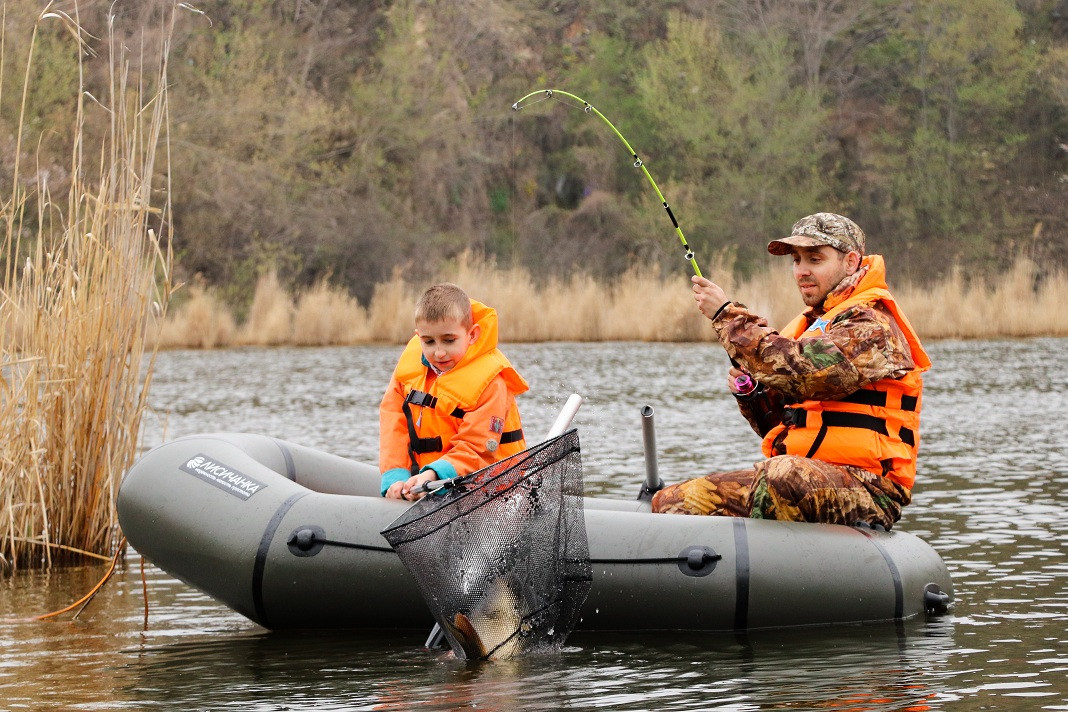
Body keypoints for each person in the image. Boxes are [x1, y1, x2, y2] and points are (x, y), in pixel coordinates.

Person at [652, 213, 931, 530]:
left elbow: (804, 374)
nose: (802, 270)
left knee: (782, 474)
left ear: (851, 262)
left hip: (869, 490)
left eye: (815, 258)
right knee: (672, 502)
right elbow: (780, 424)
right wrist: (753, 393)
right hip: (802, 478)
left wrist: (726, 316)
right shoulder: (811, 327)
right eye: (796, 260)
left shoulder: (871, 326)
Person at [380, 283, 529, 501]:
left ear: (472, 335)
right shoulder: (408, 373)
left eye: (449, 340)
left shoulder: (491, 383)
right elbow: (394, 425)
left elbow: (477, 448)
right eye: (429, 341)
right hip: (427, 485)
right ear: (418, 336)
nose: (439, 352)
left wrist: (432, 475)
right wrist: (396, 477)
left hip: (491, 494)